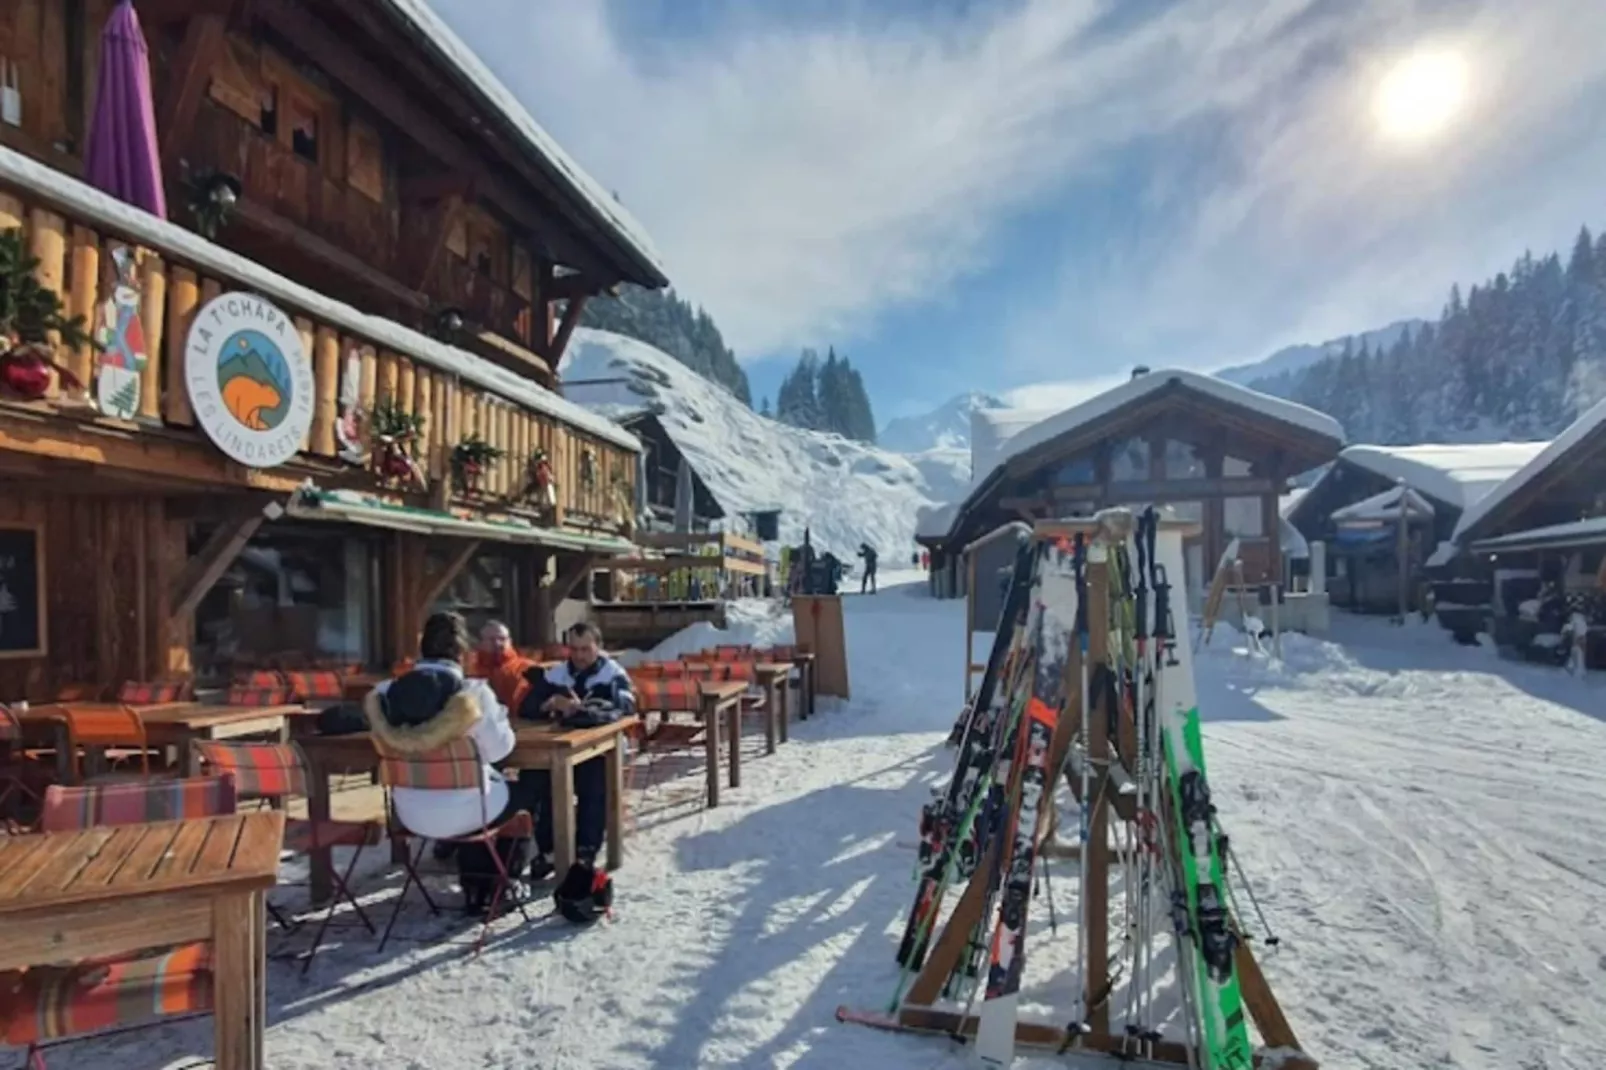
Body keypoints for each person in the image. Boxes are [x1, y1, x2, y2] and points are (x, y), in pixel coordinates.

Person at [364, 611, 538, 914]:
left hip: (408, 814)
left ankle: (476, 887)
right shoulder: (473, 695)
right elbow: (500, 750)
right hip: (468, 811)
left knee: (477, 794)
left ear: (422, 650)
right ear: (462, 653)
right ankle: (499, 883)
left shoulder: (384, 695)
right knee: (522, 793)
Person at [517, 621, 634, 881]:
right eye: (574, 649)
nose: (579, 656)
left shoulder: (612, 674)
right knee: (536, 775)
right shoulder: (557, 674)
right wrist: (549, 704)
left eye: (585, 649)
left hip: (602, 749)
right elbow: (526, 706)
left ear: (598, 647)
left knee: (593, 779)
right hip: (559, 748)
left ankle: (585, 850)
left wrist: (583, 709)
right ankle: (549, 849)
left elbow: (625, 708)